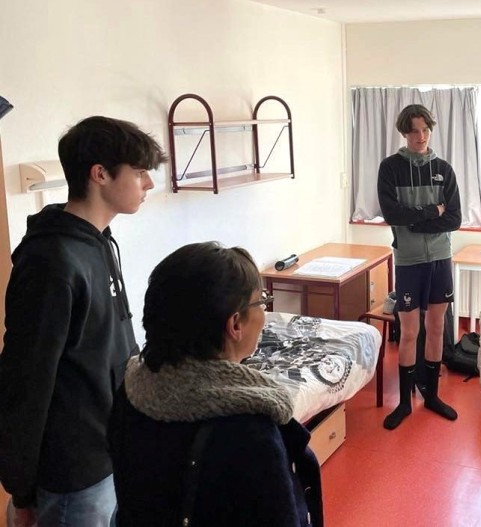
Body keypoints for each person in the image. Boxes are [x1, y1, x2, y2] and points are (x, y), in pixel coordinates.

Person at [0, 116, 164, 527]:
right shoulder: (51, 262)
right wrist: (21, 489)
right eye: (139, 172)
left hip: (111, 450)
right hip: (73, 471)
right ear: (100, 174)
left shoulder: (98, 241)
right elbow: (26, 381)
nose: (149, 183)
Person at [108, 242, 323, 526]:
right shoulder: (251, 433)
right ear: (235, 325)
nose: (264, 312)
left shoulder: (132, 389)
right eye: (261, 302)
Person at [377, 103, 462, 430]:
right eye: (414, 131)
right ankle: (403, 402)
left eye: (425, 130)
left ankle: (432, 395)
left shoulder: (444, 169)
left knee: (437, 327)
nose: (421, 136)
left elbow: (454, 219)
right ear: (404, 132)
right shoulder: (390, 168)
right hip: (409, 261)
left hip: (440, 257)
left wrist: (415, 222)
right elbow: (392, 214)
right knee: (410, 331)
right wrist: (431, 212)